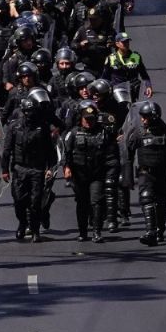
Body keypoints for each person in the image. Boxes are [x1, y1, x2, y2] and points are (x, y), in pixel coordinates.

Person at [2, 88, 59, 242]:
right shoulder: (14, 127)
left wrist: (50, 168)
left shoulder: (42, 127)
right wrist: (5, 170)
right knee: (19, 200)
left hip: (37, 169)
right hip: (19, 168)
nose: (29, 114)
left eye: (32, 111)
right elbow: (7, 149)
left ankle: (35, 230)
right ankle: (22, 223)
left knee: (35, 202)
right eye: (27, 112)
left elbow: (50, 150)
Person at [127, 101, 166, 245]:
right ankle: (150, 232)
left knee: (162, 202)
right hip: (145, 173)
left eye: (145, 117)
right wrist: (127, 176)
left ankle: (159, 230)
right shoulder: (139, 133)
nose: (142, 120)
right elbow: (128, 153)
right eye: (142, 116)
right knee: (146, 198)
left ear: (154, 117)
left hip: (163, 174)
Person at [62, 100, 119, 243]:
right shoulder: (73, 133)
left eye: (91, 119)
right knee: (82, 203)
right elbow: (66, 152)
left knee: (96, 201)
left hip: (97, 174)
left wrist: (111, 172)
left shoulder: (103, 133)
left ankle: (97, 232)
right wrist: (67, 167)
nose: (89, 122)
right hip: (79, 174)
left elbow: (112, 154)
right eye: (86, 119)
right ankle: (82, 232)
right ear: (81, 119)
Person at [101, 32, 153, 101]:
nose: (126, 44)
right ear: (117, 44)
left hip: (133, 92)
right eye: (123, 42)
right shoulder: (111, 58)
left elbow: (144, 74)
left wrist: (148, 86)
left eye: (127, 42)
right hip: (117, 93)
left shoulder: (136, 56)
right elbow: (105, 77)